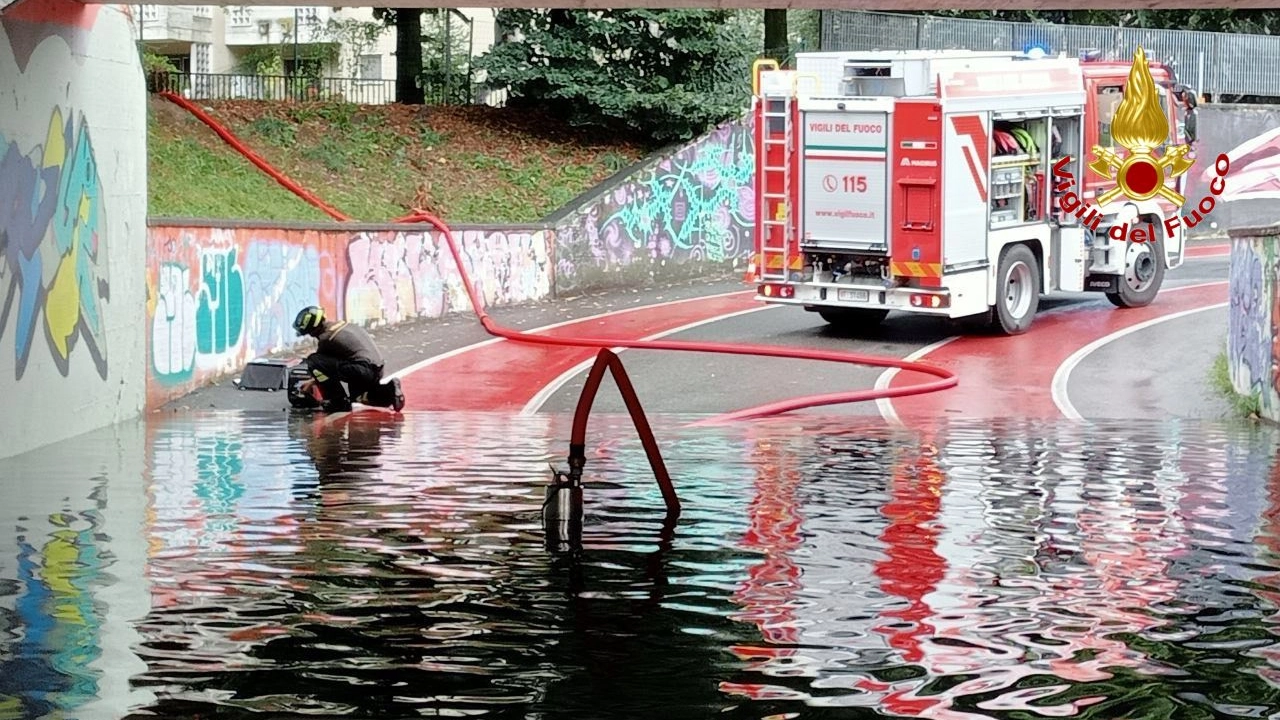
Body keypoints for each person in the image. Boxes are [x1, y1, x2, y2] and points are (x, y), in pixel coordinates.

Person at [292, 305, 405, 413]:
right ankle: (390, 391)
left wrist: (311, 383)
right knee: (359, 397)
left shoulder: (326, 339)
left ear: (312, 330)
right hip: (377, 368)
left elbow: (322, 368)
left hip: (361, 370)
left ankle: (336, 401)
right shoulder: (344, 325)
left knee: (313, 360)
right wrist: (312, 381)